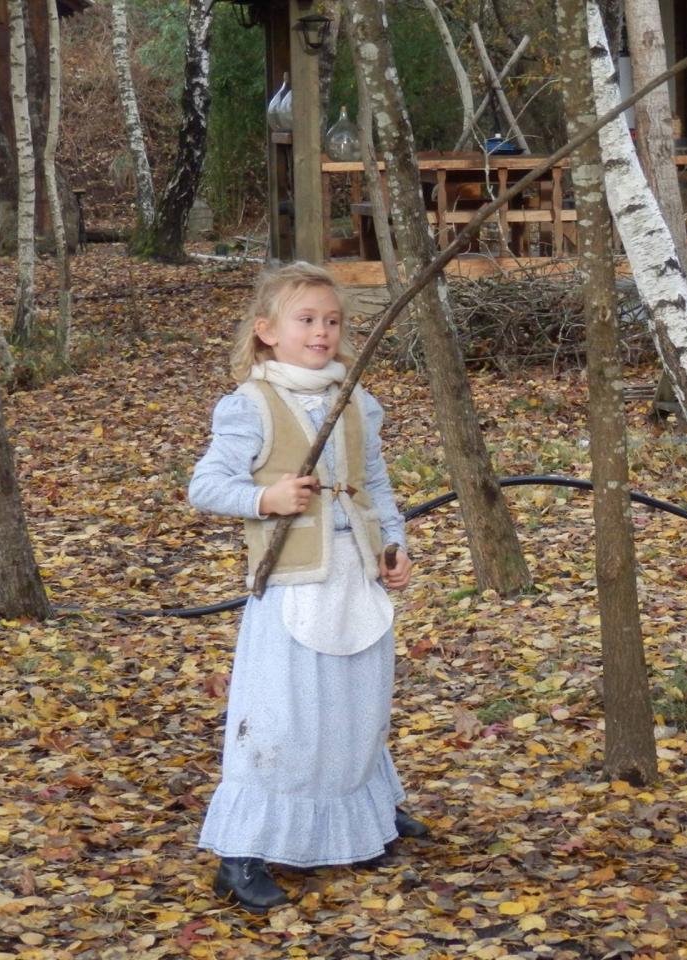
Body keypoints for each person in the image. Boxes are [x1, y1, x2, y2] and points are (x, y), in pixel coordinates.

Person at [189, 261, 427, 912]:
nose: (322, 332)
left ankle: (366, 817)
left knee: (355, 707)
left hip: (356, 580)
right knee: (284, 716)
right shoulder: (251, 404)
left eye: (332, 320)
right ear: (266, 331)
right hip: (295, 587)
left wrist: (393, 545)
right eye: (306, 320)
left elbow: (375, 486)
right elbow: (206, 486)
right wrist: (266, 497)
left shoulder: (353, 398)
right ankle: (241, 852)